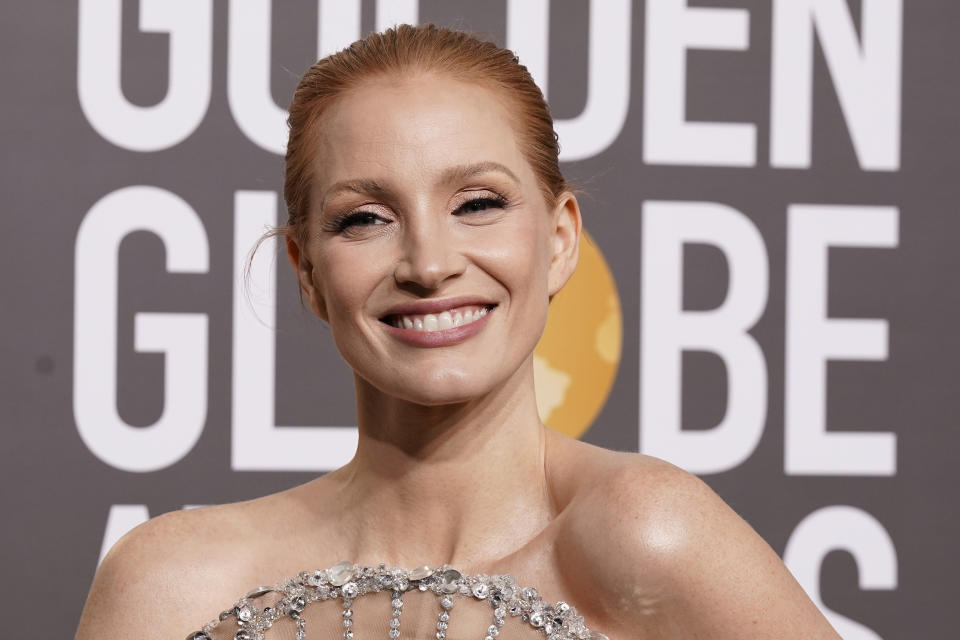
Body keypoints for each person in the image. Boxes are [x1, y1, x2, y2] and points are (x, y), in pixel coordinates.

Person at [75, 24, 841, 640]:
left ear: (561, 239)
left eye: (477, 203)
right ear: (306, 269)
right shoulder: (170, 586)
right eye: (365, 219)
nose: (429, 264)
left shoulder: (644, 536)